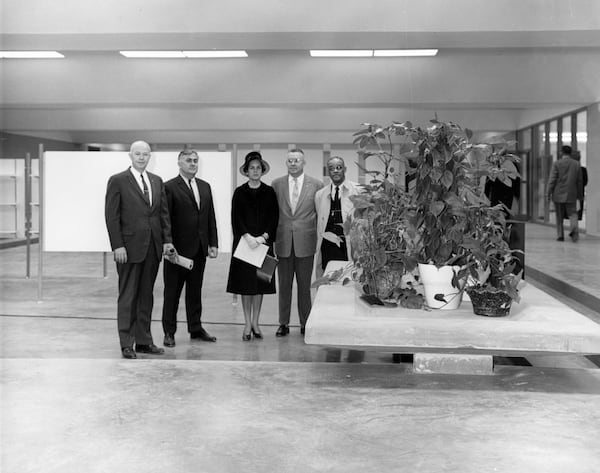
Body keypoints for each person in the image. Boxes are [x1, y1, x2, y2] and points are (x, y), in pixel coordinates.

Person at [105, 140, 175, 359]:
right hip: (128, 248)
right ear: (130, 155)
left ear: (150, 157)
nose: (142, 157)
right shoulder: (118, 181)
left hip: (153, 248)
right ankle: (126, 342)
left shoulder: (156, 181)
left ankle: (144, 341)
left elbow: (163, 215)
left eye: (145, 154)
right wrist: (118, 245)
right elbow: (112, 216)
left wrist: (167, 241)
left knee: (146, 296)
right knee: (128, 296)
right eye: (138, 154)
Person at [161, 149, 219, 347]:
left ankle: (195, 328)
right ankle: (169, 332)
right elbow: (165, 218)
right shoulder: (169, 187)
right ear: (179, 163)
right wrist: (167, 244)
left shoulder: (205, 187)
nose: (193, 164)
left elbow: (209, 216)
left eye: (195, 161)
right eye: (188, 160)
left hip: (199, 249)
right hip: (176, 252)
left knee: (195, 292)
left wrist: (213, 243)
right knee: (172, 293)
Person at [226, 151, 279, 341]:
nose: (255, 171)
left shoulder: (270, 192)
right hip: (244, 245)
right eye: (252, 168)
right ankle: (247, 323)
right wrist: (248, 237)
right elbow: (235, 218)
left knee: (260, 285)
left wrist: (264, 237)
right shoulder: (239, 193)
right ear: (246, 171)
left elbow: (274, 218)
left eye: (258, 168)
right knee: (245, 286)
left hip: (264, 246)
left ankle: (256, 322)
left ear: (262, 171)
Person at [271, 148, 324, 336]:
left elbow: (320, 214)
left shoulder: (317, 185)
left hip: (306, 242)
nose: (293, 164)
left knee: (304, 286)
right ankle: (283, 323)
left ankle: (305, 323)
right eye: (290, 161)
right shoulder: (276, 184)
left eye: (297, 161)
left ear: (304, 163)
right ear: (286, 163)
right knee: (284, 285)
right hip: (283, 241)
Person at [314, 156, 362, 276]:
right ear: (328, 172)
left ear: (344, 169)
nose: (335, 171)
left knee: (348, 281)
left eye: (339, 167)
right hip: (327, 247)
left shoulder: (357, 191)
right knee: (327, 282)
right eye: (331, 168)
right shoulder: (320, 194)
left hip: (349, 246)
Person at [547, 145, 583, 242]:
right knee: (573, 214)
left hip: (558, 194)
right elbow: (579, 181)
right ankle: (574, 233)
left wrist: (548, 192)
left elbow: (552, 180)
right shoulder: (576, 164)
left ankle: (560, 235)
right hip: (571, 193)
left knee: (559, 216)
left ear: (561, 152)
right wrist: (580, 195)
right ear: (570, 153)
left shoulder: (557, 164)